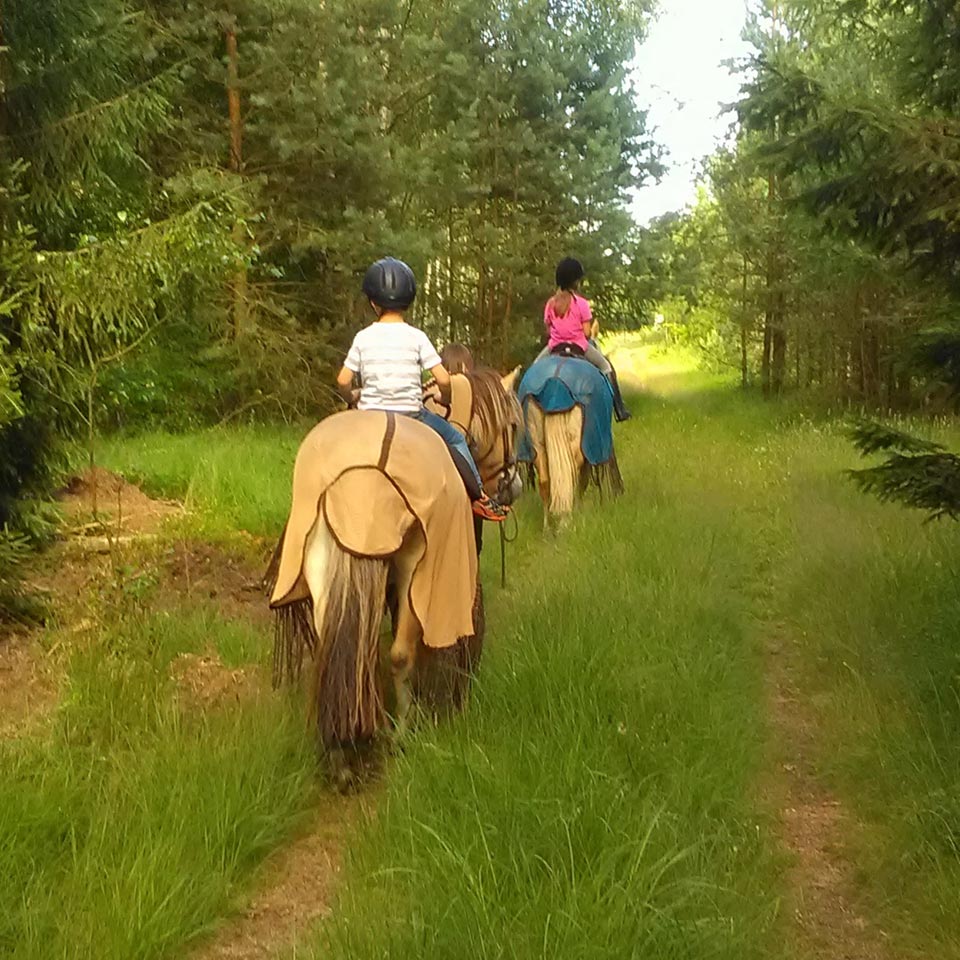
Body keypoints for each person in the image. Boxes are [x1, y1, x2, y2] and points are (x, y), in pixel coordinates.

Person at [336, 257, 509, 522]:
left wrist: (353, 396)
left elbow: (343, 380)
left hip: (371, 415)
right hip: (411, 415)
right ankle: (479, 498)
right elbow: (443, 379)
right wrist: (444, 397)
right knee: (455, 439)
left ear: (373, 303)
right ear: (408, 301)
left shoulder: (363, 337)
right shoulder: (417, 337)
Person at [534, 258, 631, 422]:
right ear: (575, 282)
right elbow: (586, 333)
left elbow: (548, 330)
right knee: (606, 366)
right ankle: (620, 410)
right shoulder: (582, 304)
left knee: (535, 369)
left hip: (555, 347)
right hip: (579, 347)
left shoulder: (551, 304)